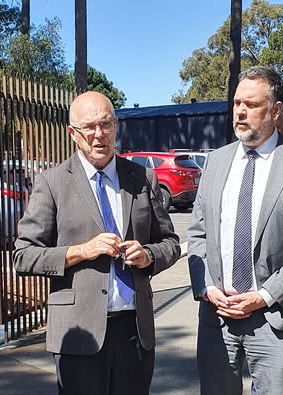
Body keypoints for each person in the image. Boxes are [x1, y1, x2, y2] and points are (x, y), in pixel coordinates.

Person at [14, 91, 180, 394]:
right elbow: (24, 256)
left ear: (116, 125)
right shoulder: (52, 183)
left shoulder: (142, 178)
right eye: (89, 127)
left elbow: (170, 242)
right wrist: (80, 251)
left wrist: (149, 255)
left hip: (135, 329)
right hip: (79, 333)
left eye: (106, 124)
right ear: (72, 133)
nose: (99, 135)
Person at [188, 66, 283, 395]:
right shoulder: (216, 161)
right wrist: (207, 288)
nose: (239, 112)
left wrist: (264, 296)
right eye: (237, 103)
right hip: (218, 316)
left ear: (275, 110)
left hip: (278, 317)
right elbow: (197, 233)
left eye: (250, 104)